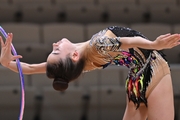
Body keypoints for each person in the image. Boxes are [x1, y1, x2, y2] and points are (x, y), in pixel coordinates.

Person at [0, 26, 180, 120]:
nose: (54, 45)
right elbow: (127, 42)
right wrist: (154, 45)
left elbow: (30, 69)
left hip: (135, 80)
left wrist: (6, 63)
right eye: (56, 51)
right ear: (74, 55)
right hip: (153, 70)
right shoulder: (97, 46)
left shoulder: (78, 62)